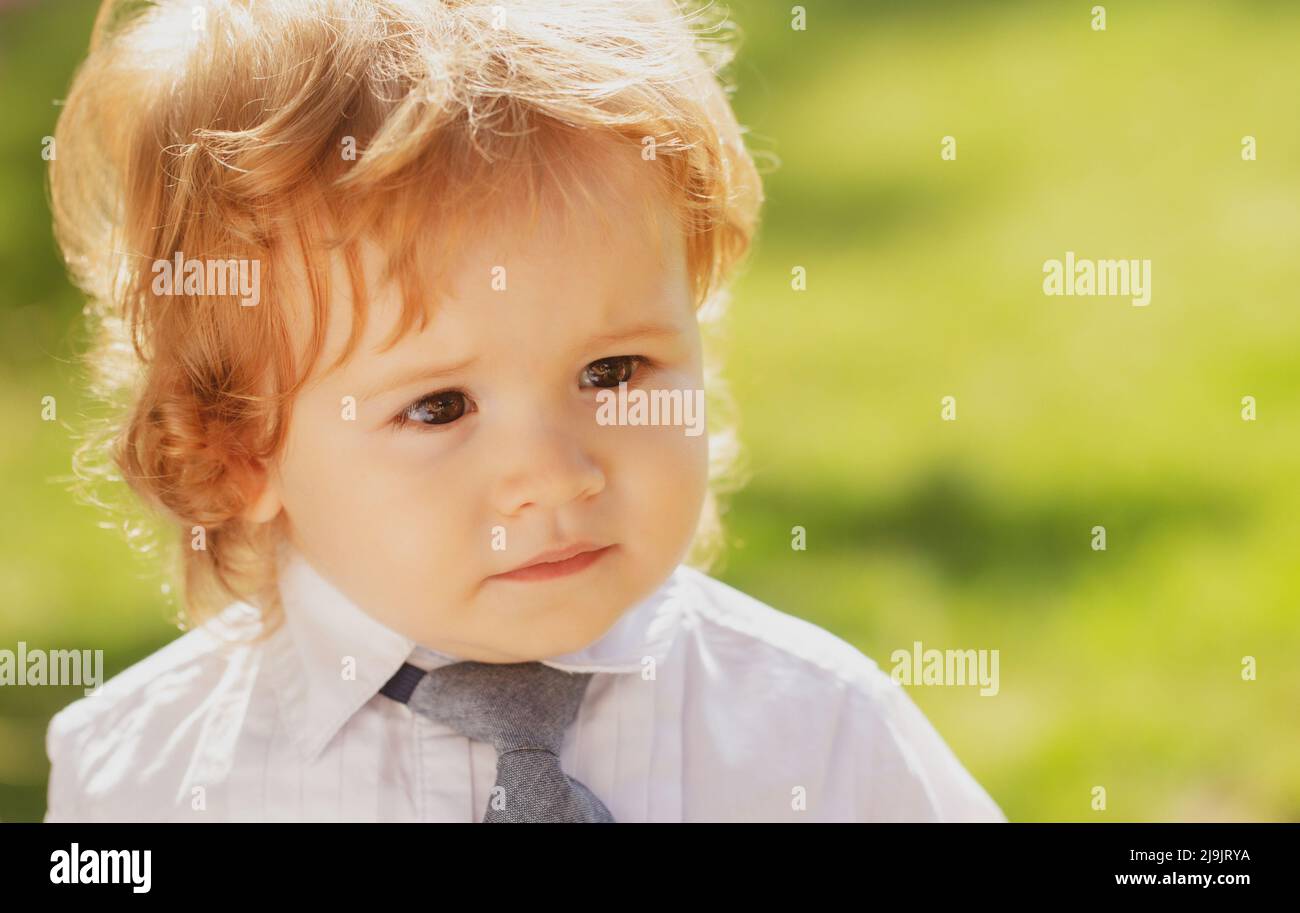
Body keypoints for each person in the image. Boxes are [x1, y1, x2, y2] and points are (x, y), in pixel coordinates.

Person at [43, 0, 1005, 822]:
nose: (555, 473)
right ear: (238, 451)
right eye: (439, 406)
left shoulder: (822, 737)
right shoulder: (143, 783)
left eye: (612, 370)